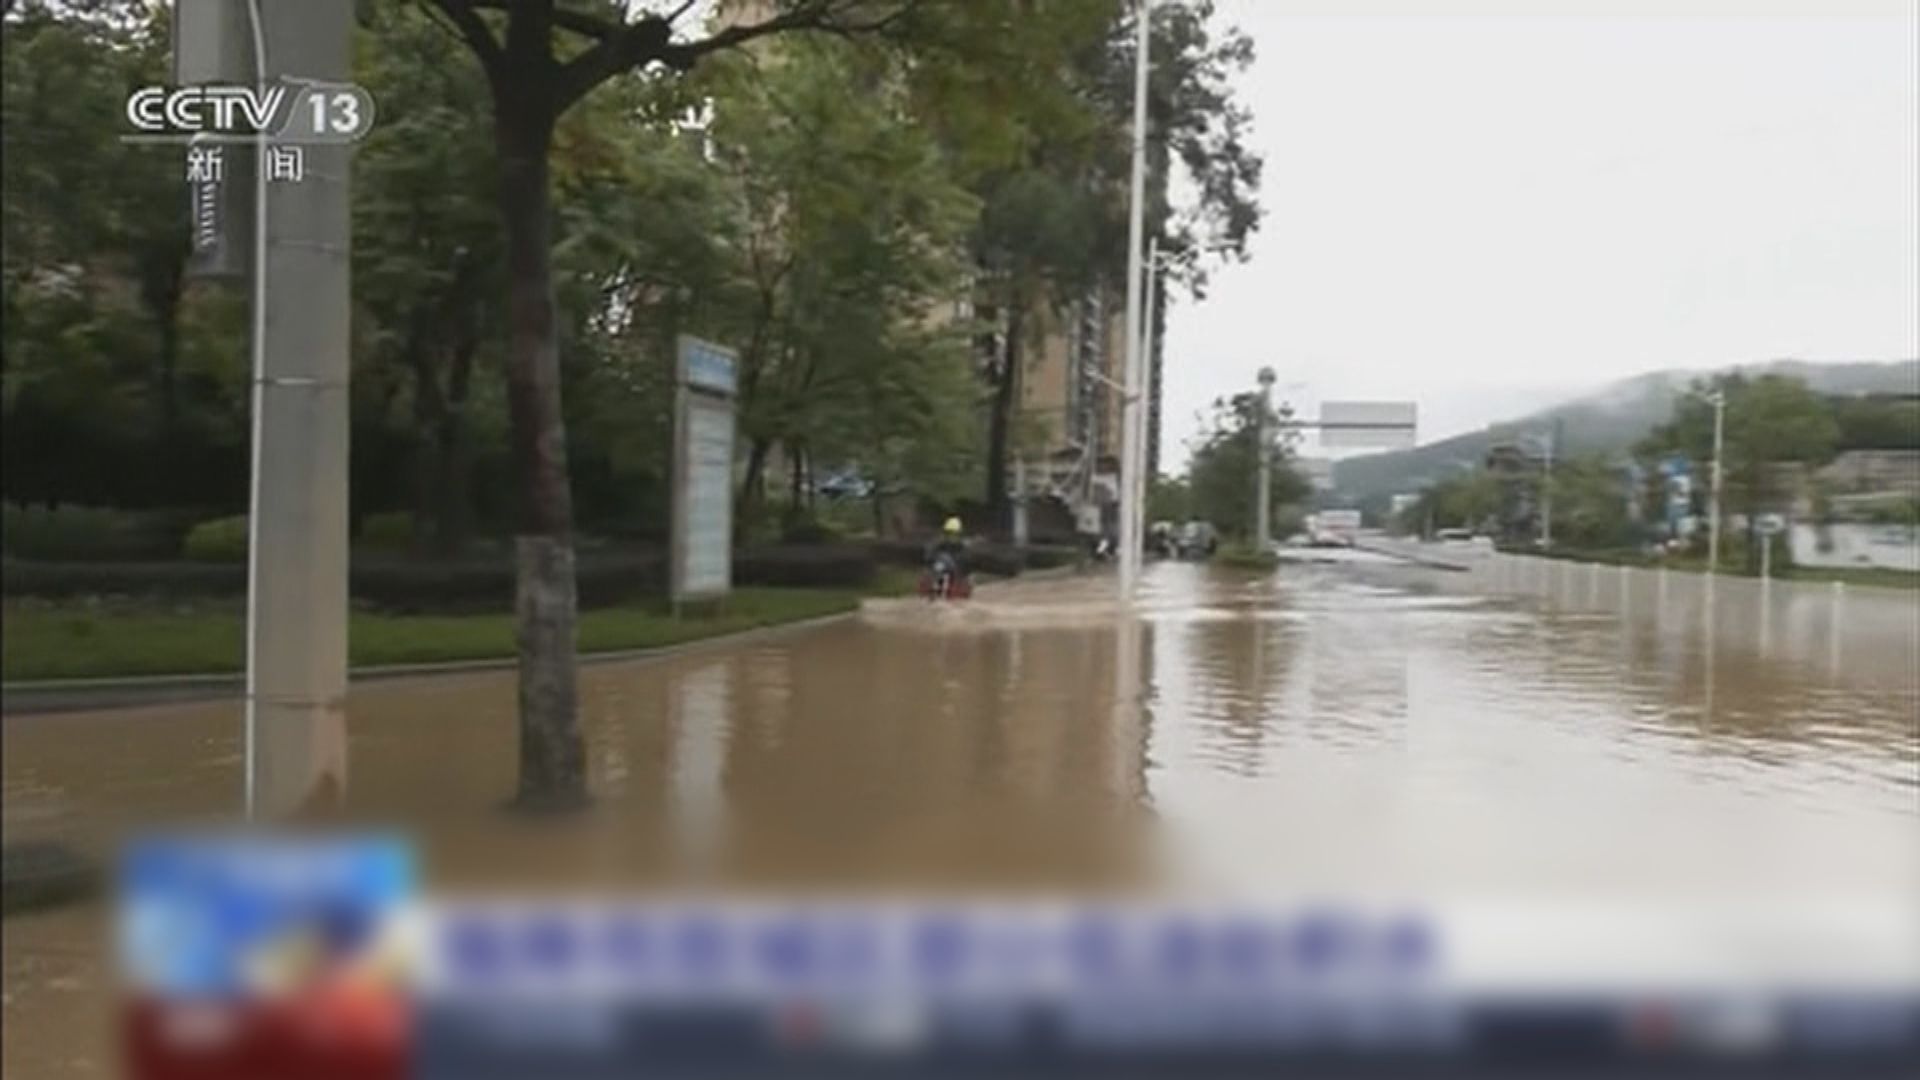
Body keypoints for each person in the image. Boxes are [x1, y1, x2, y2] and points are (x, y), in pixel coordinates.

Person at [923, 516, 970, 596]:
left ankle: (956, 588)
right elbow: (930, 554)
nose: (953, 536)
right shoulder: (940, 543)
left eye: (955, 534)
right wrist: (931, 560)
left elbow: (966, 560)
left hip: (957, 571)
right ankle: (935, 588)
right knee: (938, 567)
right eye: (950, 533)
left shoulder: (962, 546)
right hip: (943, 567)